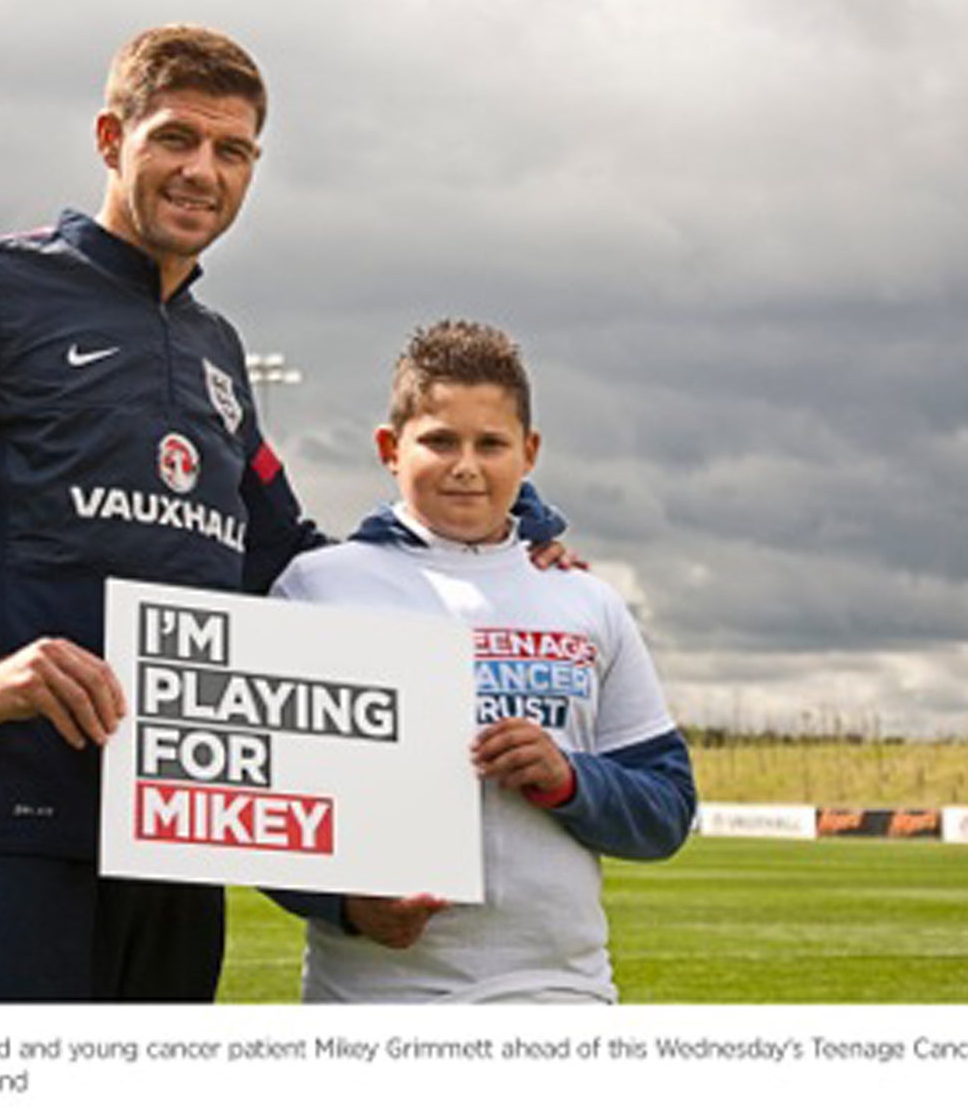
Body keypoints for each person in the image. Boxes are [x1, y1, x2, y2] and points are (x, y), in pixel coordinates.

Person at [0, 27, 562, 1003]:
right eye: (174, 138)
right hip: (1, 832)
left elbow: (294, 564)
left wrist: (497, 546)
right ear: (111, 138)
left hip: (178, 834)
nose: (202, 171)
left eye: (232, 152)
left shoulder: (219, 351)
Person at [271, 319, 696, 1003]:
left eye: (491, 444)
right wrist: (344, 905)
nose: (466, 465)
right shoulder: (320, 586)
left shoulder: (585, 600)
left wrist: (568, 780)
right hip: (374, 997)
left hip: (561, 996)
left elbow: (669, 809)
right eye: (439, 440)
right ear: (390, 448)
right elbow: (255, 806)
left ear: (529, 453)